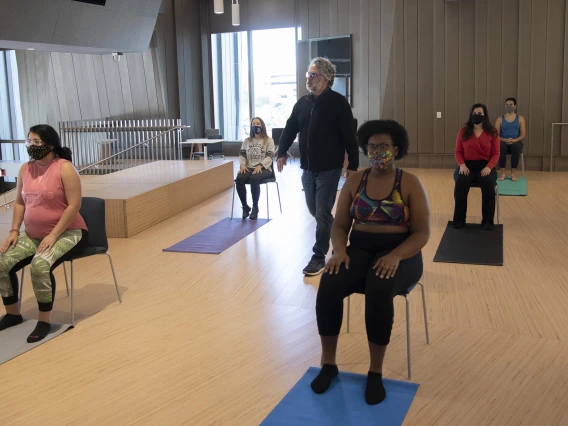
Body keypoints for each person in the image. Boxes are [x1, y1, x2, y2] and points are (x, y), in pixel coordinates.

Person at [311, 119, 430, 405]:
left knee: (378, 288)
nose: (378, 152)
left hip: (402, 252)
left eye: (384, 147)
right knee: (329, 282)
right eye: (372, 147)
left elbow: (422, 233)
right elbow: (339, 226)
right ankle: (328, 364)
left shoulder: (409, 183)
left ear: (396, 149)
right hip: (360, 250)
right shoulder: (355, 181)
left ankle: (375, 372)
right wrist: (339, 251)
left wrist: (396, 255)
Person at [0, 124, 88, 343]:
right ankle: (12, 314)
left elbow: (73, 206)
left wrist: (53, 235)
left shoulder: (64, 168)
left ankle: (44, 321)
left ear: (50, 144)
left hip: (68, 232)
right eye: (29, 141)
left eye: (37, 142)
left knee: (40, 265)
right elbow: (20, 202)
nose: (32, 146)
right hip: (32, 234)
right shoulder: (25, 169)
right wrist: (14, 231)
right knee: (1, 261)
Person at [277, 57, 359, 276]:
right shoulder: (302, 103)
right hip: (307, 170)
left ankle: (319, 255)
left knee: (322, 211)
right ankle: (336, 235)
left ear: (326, 78)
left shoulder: (338, 103)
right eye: (308, 74)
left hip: (330, 170)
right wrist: (281, 151)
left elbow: (350, 137)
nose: (308, 78)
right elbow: (290, 128)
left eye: (313, 75)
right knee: (316, 211)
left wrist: (352, 164)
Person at [453, 103, 499, 231]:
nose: (477, 115)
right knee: (461, 182)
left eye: (480, 113)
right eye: (475, 113)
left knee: (489, 184)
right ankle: (459, 220)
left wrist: (489, 167)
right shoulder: (463, 132)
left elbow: (496, 153)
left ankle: (488, 221)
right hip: (467, 166)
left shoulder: (492, 132)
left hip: (485, 167)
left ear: (485, 116)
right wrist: (462, 165)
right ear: (471, 115)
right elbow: (458, 152)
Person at [236, 117, 275, 220]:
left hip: (265, 169)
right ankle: (245, 206)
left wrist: (260, 166)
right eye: (253, 123)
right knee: (239, 178)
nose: (255, 125)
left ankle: (255, 207)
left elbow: (270, 157)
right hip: (249, 167)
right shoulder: (247, 141)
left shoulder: (268, 140)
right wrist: (242, 164)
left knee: (254, 178)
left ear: (262, 126)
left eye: (258, 123)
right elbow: (242, 154)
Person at [495, 97, 526, 181]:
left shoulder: (520, 118)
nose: (509, 106)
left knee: (515, 147)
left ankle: (513, 173)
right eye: (507, 105)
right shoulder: (499, 119)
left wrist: (514, 140)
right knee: (501, 147)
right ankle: (503, 173)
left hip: (516, 141)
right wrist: (505, 140)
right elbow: (495, 135)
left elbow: (523, 135)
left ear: (515, 106)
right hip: (503, 141)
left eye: (511, 105)